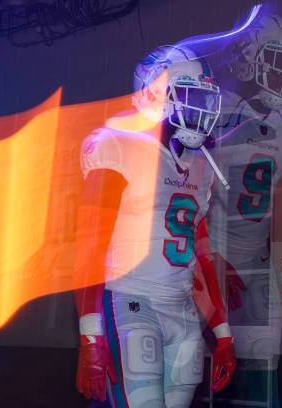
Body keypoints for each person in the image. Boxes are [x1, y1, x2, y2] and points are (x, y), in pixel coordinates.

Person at [74, 45, 236, 408]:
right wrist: (90, 336)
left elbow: (200, 258)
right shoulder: (118, 145)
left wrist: (222, 333)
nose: (201, 109)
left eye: (204, 99)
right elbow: (88, 246)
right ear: (155, 95)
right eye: (190, 96)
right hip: (131, 302)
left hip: (182, 311)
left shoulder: (201, 165)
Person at [207, 14, 282, 407]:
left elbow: (278, 203)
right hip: (211, 254)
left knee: (263, 371)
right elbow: (193, 189)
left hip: (257, 259)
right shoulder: (217, 111)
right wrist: (210, 261)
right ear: (249, 59)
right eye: (279, 64)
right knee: (204, 367)